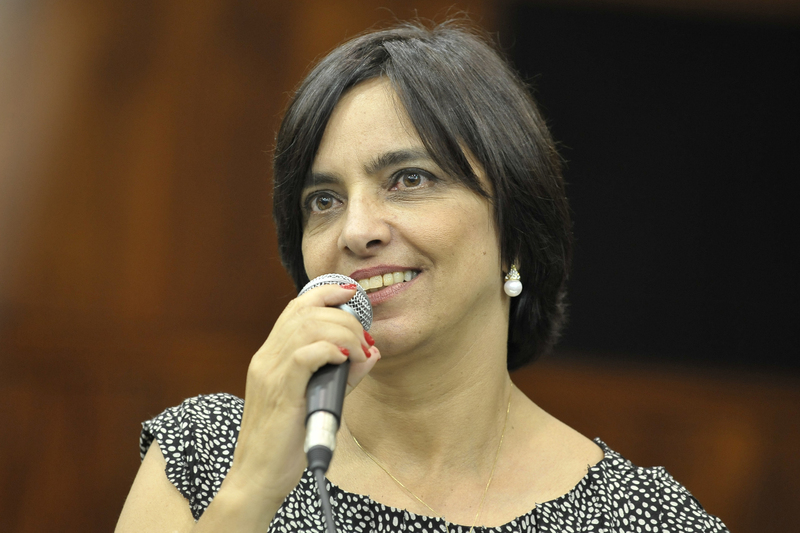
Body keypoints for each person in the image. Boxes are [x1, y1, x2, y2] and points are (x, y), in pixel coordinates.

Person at [115, 21, 728, 533]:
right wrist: (252, 488)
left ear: (515, 229)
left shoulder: (647, 520)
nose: (356, 230)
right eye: (324, 200)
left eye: (409, 179)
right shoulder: (208, 452)